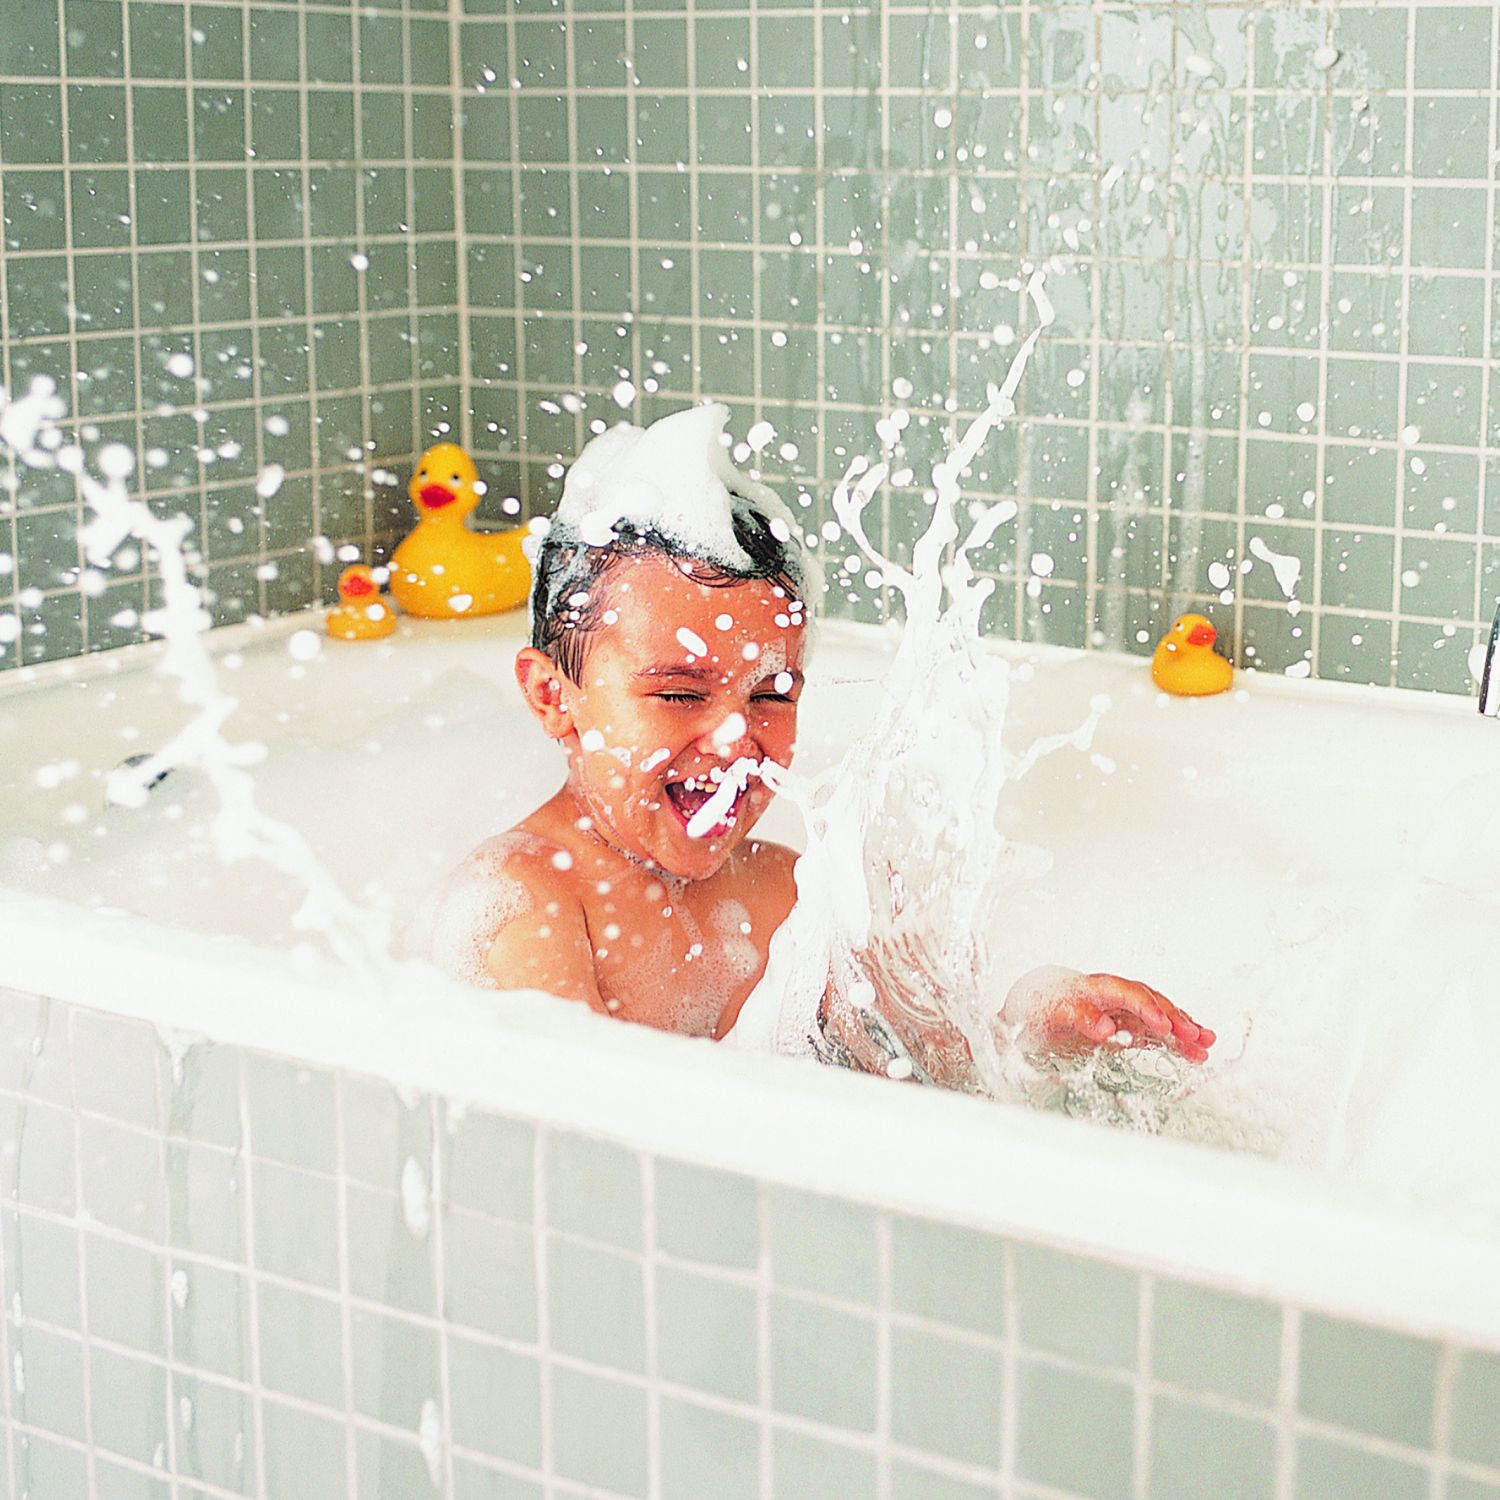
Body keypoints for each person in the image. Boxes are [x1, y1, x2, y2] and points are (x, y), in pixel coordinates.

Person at [408, 404, 1215, 1072]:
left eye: (771, 693)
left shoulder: (783, 894)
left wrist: (1043, 1027)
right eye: (680, 692)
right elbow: (575, 1183)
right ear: (554, 698)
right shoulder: (526, 911)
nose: (733, 737)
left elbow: (941, 1076)